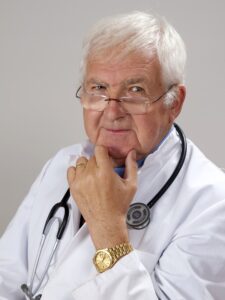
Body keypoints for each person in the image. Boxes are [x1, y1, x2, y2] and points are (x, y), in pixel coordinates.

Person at [0, 10, 225, 300]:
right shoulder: (61, 165)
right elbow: (5, 278)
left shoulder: (213, 204)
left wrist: (109, 230)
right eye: (99, 89)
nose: (112, 110)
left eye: (135, 90)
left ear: (174, 103)